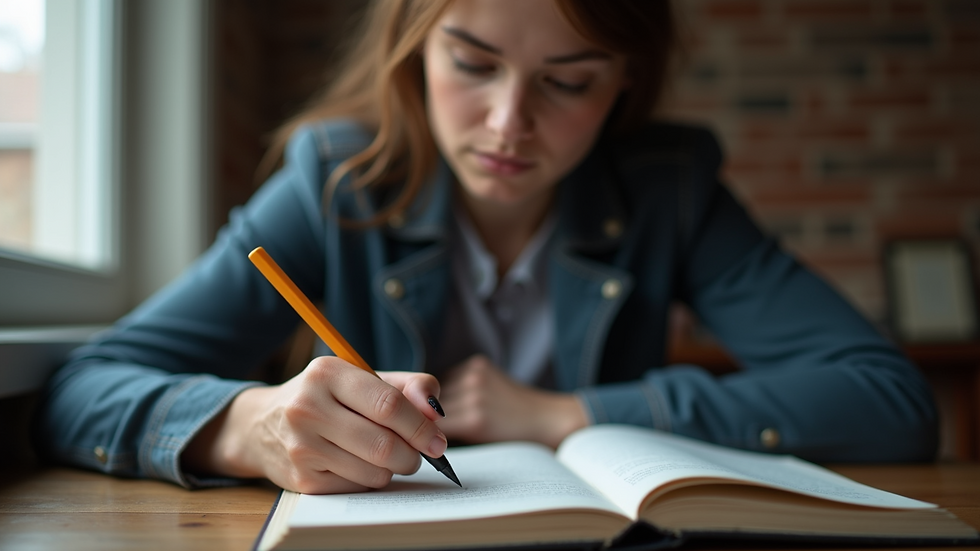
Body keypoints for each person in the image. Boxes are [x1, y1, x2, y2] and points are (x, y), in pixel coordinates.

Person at [36, 0, 938, 495]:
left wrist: (568, 413)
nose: (510, 123)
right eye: (471, 64)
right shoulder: (333, 181)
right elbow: (86, 387)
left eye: (569, 81)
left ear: (624, 85)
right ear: (412, 51)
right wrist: (246, 427)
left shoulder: (672, 189)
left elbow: (890, 401)